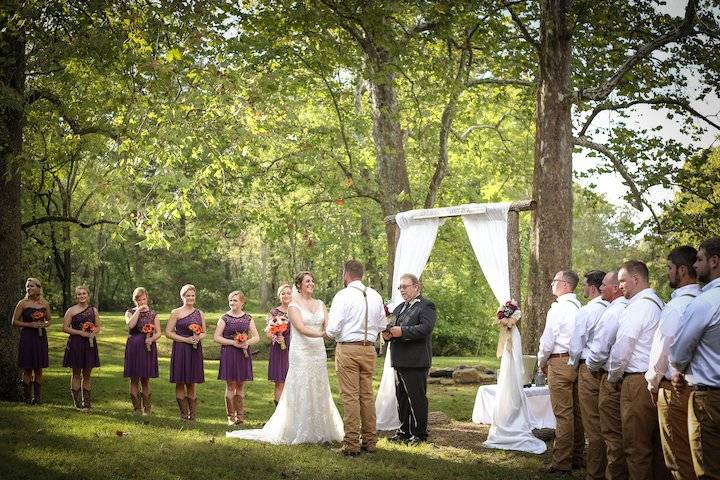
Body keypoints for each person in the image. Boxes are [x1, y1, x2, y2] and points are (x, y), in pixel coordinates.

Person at [226, 271, 344, 444]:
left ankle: (320, 427)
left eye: (312, 281)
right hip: (301, 351)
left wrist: (334, 331)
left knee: (319, 385)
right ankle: (298, 427)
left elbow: (329, 325)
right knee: (301, 385)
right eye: (307, 281)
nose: (311, 283)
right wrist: (323, 334)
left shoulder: (320, 304)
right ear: (299, 285)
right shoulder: (293, 306)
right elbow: (302, 328)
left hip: (318, 352)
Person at [606, 260, 670, 480]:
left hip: (636, 382)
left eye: (623, 280)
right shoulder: (659, 303)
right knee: (657, 447)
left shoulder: (639, 306)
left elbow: (623, 345)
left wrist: (613, 376)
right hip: (656, 380)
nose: (620, 285)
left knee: (636, 448)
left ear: (636, 279)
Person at [646, 247, 700, 480]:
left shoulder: (676, 306)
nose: (667, 273)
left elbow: (663, 352)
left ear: (683, 270)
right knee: (701, 456)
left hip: (675, 388)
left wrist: (653, 383)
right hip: (703, 389)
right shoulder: (706, 300)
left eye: (669, 268)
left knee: (679, 457)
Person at [671, 236, 720, 480]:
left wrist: (680, 368)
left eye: (699, 260)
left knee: (708, 468)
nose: (696, 266)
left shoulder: (705, 302)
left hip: (709, 397)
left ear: (714, 261)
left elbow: (680, 351)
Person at [327, 260, 386, 455]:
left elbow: (333, 329)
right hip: (369, 349)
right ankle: (370, 441)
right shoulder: (375, 295)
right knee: (367, 396)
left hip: (349, 349)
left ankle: (351, 444)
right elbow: (382, 326)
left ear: (346, 275)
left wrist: (332, 332)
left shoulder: (343, 296)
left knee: (350, 396)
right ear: (361, 274)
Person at [537, 270, 584, 474]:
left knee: (563, 414)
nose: (552, 284)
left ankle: (561, 462)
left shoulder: (557, 309)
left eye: (555, 281)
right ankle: (578, 456)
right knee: (577, 413)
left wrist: (541, 361)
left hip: (559, 361)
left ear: (565, 285)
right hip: (578, 362)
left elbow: (548, 341)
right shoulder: (581, 307)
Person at [382, 273, 436, 445]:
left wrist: (403, 331)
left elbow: (426, 328)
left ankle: (419, 434)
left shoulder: (426, 306)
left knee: (417, 398)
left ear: (416, 287)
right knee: (402, 398)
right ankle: (404, 431)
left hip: (415, 360)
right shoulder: (398, 308)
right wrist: (387, 334)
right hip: (398, 359)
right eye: (400, 287)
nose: (402, 290)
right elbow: (392, 328)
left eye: (405, 286)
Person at [586, 271, 629, 480]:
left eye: (604, 285)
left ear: (615, 288)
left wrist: (592, 367)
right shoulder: (628, 307)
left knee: (610, 433)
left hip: (609, 375)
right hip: (624, 377)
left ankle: (602, 475)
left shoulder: (614, 312)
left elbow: (601, 348)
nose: (600, 288)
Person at [568, 270, 609, 479]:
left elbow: (575, 345)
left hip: (589, 369)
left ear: (592, 288)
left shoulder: (587, 311)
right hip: (609, 372)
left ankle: (594, 473)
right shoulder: (613, 308)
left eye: (584, 285)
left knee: (592, 424)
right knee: (608, 424)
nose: (582, 289)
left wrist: (574, 365)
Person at [214, 290, 259, 425]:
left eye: (235, 300)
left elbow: (256, 337)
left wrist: (246, 343)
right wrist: (233, 343)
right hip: (229, 353)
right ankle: (230, 417)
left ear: (242, 302)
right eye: (230, 300)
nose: (232, 303)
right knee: (230, 385)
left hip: (243, 355)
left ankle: (240, 417)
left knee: (240, 385)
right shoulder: (224, 318)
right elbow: (217, 337)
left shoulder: (248, 318)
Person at [166, 284, 206, 421]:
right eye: (187, 295)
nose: (190, 298)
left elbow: (204, 332)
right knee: (180, 381)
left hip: (194, 350)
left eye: (192, 295)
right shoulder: (175, 312)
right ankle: (183, 414)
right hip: (181, 349)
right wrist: (185, 339)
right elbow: (168, 333)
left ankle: (193, 416)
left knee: (191, 382)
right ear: (182, 297)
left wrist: (197, 337)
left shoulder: (200, 313)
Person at [12, 278, 51, 404]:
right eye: (27, 286)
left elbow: (49, 320)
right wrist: (30, 325)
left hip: (40, 338)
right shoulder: (22, 303)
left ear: (38, 288)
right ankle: (27, 398)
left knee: (39, 368)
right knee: (27, 368)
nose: (29, 288)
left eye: (32, 286)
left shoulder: (44, 303)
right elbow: (14, 322)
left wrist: (44, 324)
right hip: (27, 337)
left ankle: (37, 399)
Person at [62, 285, 101, 410]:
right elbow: (65, 327)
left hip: (89, 344)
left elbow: (98, 327)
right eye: (79, 294)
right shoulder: (71, 310)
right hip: (76, 344)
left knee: (88, 374)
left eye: (84, 293)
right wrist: (80, 332)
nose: (82, 296)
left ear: (87, 295)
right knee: (76, 373)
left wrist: (93, 332)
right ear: (76, 296)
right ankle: (77, 403)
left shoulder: (93, 310)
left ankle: (87, 403)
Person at [123, 287, 161, 415]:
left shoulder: (153, 314)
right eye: (139, 300)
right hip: (134, 347)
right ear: (135, 300)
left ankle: (147, 409)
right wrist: (138, 311)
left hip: (148, 347)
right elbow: (131, 325)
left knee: (145, 379)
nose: (142, 302)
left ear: (147, 298)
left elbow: (159, 332)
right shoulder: (129, 312)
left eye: (144, 299)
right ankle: (137, 409)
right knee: (134, 379)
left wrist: (152, 339)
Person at [265, 284, 292, 405]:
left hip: (294, 348)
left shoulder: (296, 310)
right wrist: (277, 337)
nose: (286, 295)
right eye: (283, 293)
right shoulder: (274, 312)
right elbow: (268, 333)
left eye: (288, 293)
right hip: (279, 350)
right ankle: (279, 416)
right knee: (280, 382)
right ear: (279, 296)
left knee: (293, 382)